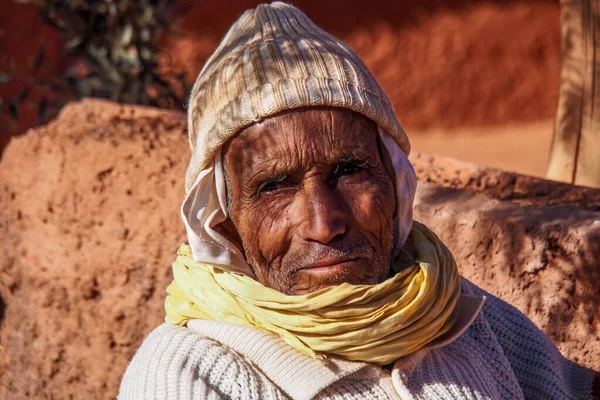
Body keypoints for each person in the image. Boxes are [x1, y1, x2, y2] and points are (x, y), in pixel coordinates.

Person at [119, 3, 599, 399]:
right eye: (275, 186)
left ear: (397, 187)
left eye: (349, 171)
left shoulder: (461, 315)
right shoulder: (185, 375)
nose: (324, 224)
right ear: (222, 222)